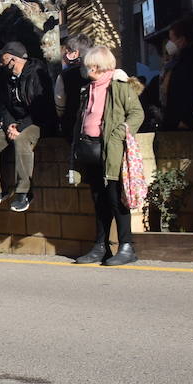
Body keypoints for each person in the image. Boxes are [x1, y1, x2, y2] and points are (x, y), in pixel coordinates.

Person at [70, 46, 144, 266]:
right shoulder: (88, 89)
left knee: (116, 198)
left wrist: (120, 132)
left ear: (97, 66)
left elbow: (137, 114)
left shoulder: (120, 86)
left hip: (111, 150)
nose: (86, 68)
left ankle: (126, 246)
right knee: (99, 199)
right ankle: (100, 247)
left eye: (89, 64)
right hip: (90, 150)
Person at [0, 40, 59, 213]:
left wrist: (20, 127)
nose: (0, 63)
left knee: (22, 141)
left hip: (39, 122)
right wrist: (10, 125)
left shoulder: (38, 74)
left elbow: (42, 107)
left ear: (13, 59)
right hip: (17, 123)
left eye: (3, 59)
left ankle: (24, 192)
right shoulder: (8, 79)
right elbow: (5, 106)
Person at [159, 22, 193, 130]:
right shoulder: (179, 62)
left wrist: (186, 120)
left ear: (181, 40)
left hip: (182, 123)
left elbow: (188, 91)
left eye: (171, 39)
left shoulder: (188, 62)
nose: (169, 44)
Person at [54, 34, 93, 140]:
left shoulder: (64, 76)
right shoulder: (101, 72)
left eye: (67, 52)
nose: (64, 55)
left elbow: (60, 106)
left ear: (75, 53)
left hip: (72, 126)